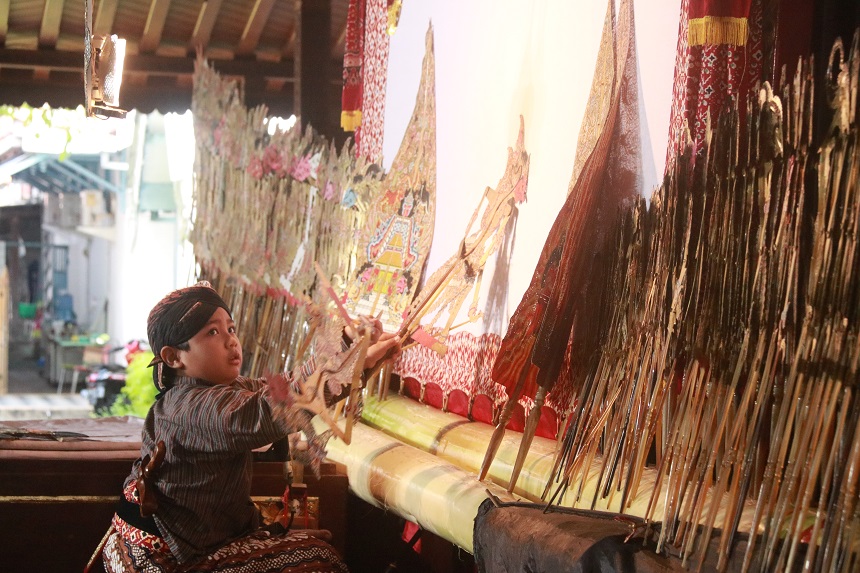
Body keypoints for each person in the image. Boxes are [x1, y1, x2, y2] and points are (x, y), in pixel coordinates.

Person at [101, 282, 400, 572]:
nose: (231, 340)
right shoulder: (192, 408)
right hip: (164, 559)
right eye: (212, 332)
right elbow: (268, 410)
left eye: (230, 328)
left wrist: (354, 354)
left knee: (313, 549)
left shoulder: (216, 390)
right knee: (318, 559)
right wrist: (347, 350)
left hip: (178, 542)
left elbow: (280, 388)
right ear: (174, 356)